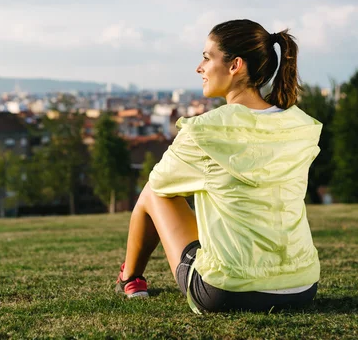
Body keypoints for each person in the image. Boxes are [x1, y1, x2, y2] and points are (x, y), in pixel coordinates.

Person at [115, 19, 322, 314]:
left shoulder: (206, 131)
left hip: (228, 291)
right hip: (302, 287)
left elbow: (158, 185)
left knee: (153, 190)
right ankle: (130, 277)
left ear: (235, 65)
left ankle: (129, 277)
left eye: (206, 57)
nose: (199, 68)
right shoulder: (299, 125)